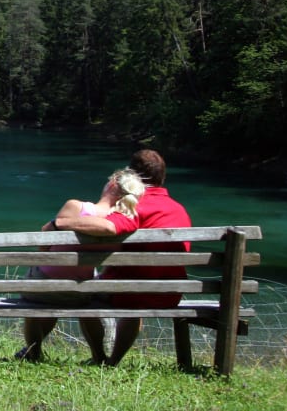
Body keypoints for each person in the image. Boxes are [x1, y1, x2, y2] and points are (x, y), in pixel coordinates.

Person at [53, 149, 192, 366]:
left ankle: (100, 357)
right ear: (163, 177)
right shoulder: (179, 209)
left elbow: (110, 226)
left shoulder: (135, 206)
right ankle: (115, 359)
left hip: (132, 292)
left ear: (131, 176)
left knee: (84, 293)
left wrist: (60, 223)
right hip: (171, 293)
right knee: (132, 291)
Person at [15, 168, 146, 363]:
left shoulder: (75, 207)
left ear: (111, 185)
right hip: (82, 291)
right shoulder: (124, 222)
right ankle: (99, 356)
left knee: (39, 290)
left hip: (43, 289)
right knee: (82, 293)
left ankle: (34, 353)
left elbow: (44, 242)